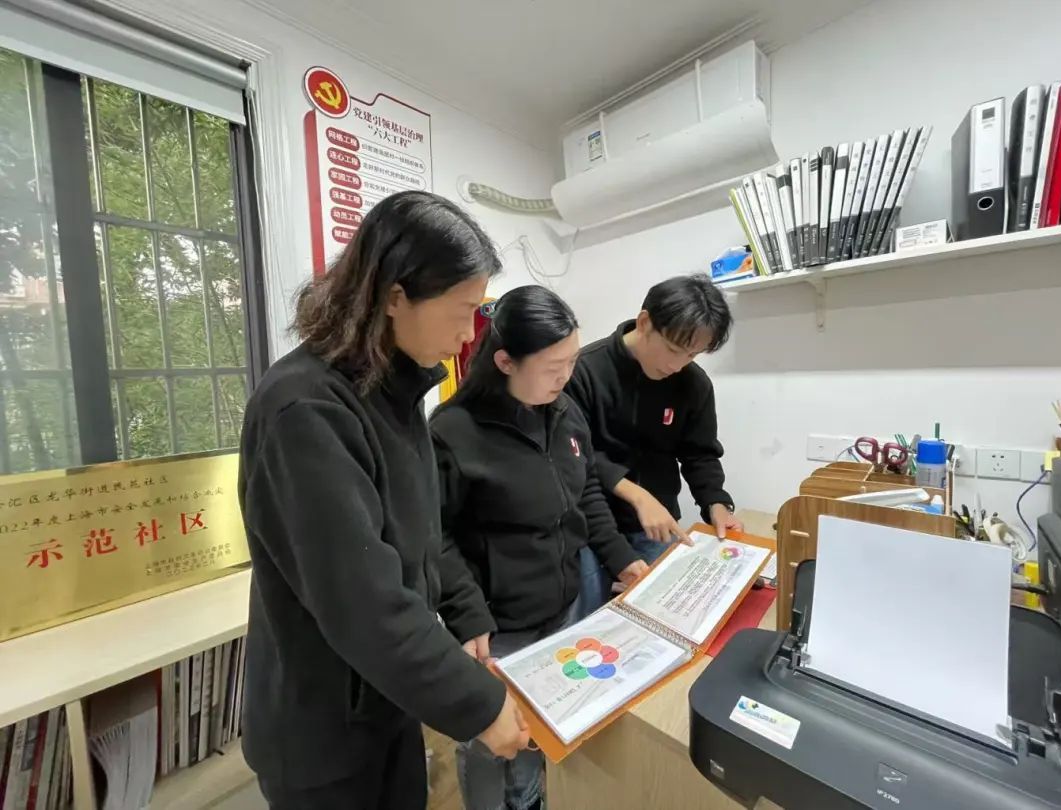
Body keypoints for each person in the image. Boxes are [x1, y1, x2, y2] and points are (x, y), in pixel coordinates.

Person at [238, 191, 530, 810]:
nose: (467, 335)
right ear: (395, 296)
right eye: (462, 311)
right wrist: (477, 704)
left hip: (383, 698)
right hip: (324, 728)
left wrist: (460, 610)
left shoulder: (390, 393)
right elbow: (361, 601)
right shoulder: (306, 409)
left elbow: (420, 533)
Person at [430, 285, 648, 810]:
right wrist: (466, 612)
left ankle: (528, 797)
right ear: (504, 361)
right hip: (496, 624)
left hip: (565, 605)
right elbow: (432, 534)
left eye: (571, 361)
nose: (565, 376)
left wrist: (622, 557)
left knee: (539, 726)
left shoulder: (564, 410)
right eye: (553, 366)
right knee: (490, 737)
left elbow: (587, 492)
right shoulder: (452, 432)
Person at [566, 274, 741, 613]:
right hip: (590, 528)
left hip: (657, 528)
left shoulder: (693, 384)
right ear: (645, 322)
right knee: (588, 630)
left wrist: (717, 504)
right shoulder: (583, 371)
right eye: (674, 349)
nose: (678, 365)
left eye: (693, 355)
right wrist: (636, 494)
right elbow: (576, 456)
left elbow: (700, 453)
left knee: (665, 618)